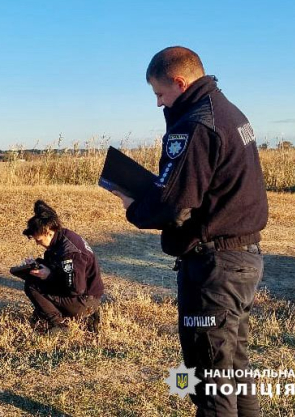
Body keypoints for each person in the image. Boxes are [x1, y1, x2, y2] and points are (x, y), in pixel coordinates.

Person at [112, 46, 268, 416]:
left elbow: (175, 203)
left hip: (216, 265)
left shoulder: (196, 125)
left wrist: (135, 207)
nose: (158, 103)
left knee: (210, 382)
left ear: (180, 83)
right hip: (240, 258)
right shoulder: (227, 112)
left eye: (160, 94)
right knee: (233, 369)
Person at [22, 200, 104, 334]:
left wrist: (49, 276)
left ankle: (59, 326)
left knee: (32, 286)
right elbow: (59, 268)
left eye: (39, 240)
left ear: (48, 232)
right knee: (35, 281)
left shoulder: (70, 253)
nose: (37, 244)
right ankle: (48, 316)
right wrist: (37, 265)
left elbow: (74, 289)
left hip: (84, 301)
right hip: (87, 297)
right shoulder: (62, 237)